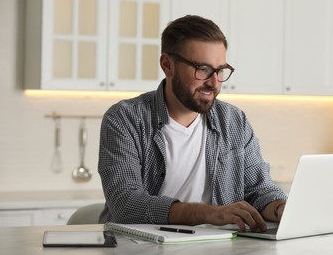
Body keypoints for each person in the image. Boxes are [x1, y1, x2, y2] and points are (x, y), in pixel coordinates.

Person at [98, 15, 287, 232]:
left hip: (218, 245)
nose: (214, 83)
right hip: (138, 246)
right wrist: (209, 213)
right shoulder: (124, 119)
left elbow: (260, 191)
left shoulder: (235, 122)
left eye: (220, 70)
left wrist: (281, 207)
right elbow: (126, 204)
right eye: (203, 69)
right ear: (167, 65)